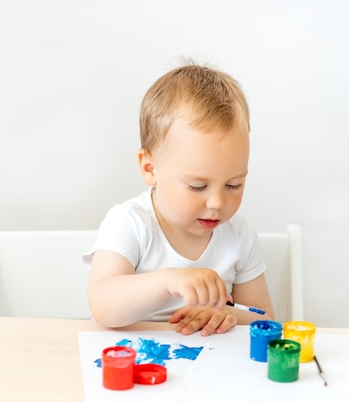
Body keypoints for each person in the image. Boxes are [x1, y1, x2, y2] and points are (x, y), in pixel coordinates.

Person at [83, 62, 274, 336]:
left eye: (234, 185)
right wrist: (168, 281)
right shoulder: (129, 222)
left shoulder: (238, 233)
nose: (217, 202)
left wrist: (228, 315)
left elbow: (265, 317)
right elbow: (102, 305)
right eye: (197, 186)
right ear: (150, 168)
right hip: (138, 365)